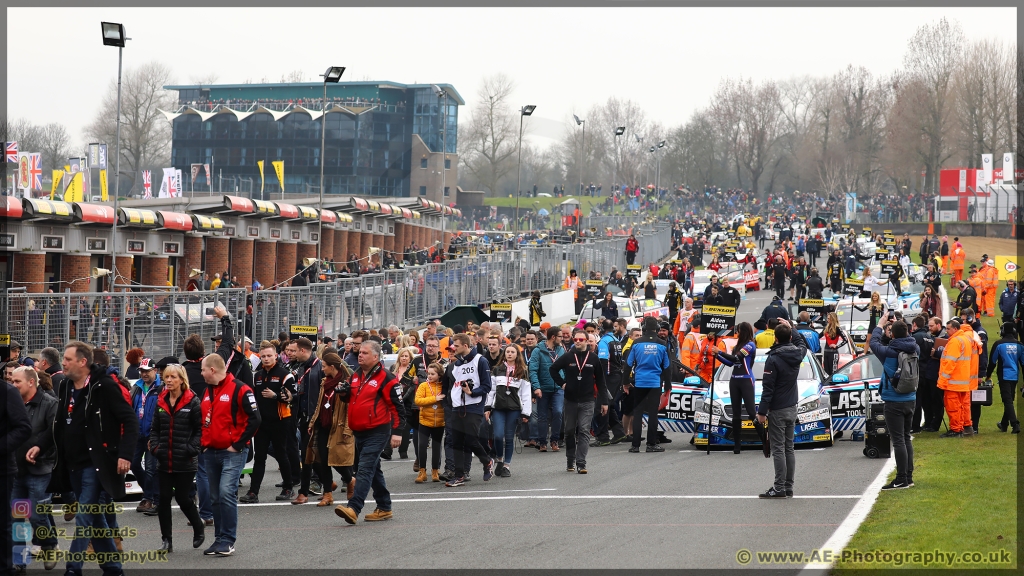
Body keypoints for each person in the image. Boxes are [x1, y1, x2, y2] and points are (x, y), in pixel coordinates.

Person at [48, 341, 139, 574]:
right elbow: (59, 424)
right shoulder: (65, 386)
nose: (64, 363)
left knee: (84, 516)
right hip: (72, 463)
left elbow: (129, 420)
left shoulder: (105, 386)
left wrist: (125, 454)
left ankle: (72, 568)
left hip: (95, 464)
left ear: (82, 362)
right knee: (96, 517)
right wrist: (40, 446)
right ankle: (113, 568)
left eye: (68, 359)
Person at [333, 341, 407, 522]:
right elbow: (351, 400)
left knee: (364, 470)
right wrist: (343, 393)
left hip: (378, 431)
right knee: (373, 470)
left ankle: (354, 508)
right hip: (358, 431)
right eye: (360, 352)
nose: (360, 355)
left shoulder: (387, 377)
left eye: (365, 353)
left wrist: (397, 432)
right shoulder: (356, 375)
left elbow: (398, 408)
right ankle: (384, 506)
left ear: (375, 357)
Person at [199, 350, 261, 556]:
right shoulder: (208, 391)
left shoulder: (241, 389)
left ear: (212, 369)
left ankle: (228, 539)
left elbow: (255, 419)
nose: (200, 373)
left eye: (202, 370)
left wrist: (238, 444)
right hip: (211, 452)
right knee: (214, 496)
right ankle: (220, 539)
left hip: (232, 452)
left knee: (226, 492)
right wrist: (203, 443)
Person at [149, 363, 205, 552]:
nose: (169, 380)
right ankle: (167, 541)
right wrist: (156, 448)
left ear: (182, 379)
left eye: (173, 377)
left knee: (182, 498)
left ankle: (198, 527)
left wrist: (191, 448)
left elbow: (200, 430)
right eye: (166, 377)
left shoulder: (192, 401)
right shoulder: (161, 400)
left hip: (185, 460)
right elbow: (155, 429)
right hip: (164, 459)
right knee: (163, 499)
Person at [9, 366, 58, 571]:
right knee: (16, 517)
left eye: (17, 381)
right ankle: (19, 560)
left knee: (37, 514)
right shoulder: (11, 403)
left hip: (41, 468)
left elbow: (55, 435)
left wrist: (39, 451)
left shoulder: (50, 404)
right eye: (11, 381)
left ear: (31, 382)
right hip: (15, 469)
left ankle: (48, 544)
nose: (13, 385)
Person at [240, 341, 297, 504]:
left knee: (281, 454)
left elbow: (293, 396)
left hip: (281, 421)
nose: (266, 359)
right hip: (262, 423)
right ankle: (253, 492)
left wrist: (276, 396)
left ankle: (288, 487)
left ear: (276, 356)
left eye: (269, 356)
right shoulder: (257, 375)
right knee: (260, 458)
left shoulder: (285, 374)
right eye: (263, 356)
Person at [757, 322, 806, 498]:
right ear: (790, 337)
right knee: (789, 448)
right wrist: (791, 326)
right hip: (792, 406)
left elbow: (768, 388)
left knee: (778, 449)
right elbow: (802, 344)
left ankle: (779, 488)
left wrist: (762, 412)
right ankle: (788, 486)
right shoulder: (797, 353)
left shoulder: (774, 358)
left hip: (777, 408)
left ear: (775, 338)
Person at [869, 317, 919, 490]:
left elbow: (874, 342)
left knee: (898, 440)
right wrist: (899, 324)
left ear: (892, 335)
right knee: (906, 438)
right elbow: (905, 337)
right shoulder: (915, 348)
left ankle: (901, 478)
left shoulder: (889, 352)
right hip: (910, 398)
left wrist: (881, 324)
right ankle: (909, 476)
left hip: (893, 399)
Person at [550, 329, 609, 472]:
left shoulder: (594, 358)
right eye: (575, 339)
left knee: (583, 431)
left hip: (588, 400)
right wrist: (563, 384)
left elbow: (601, 381)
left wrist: (605, 401)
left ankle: (581, 462)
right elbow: (553, 369)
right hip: (570, 400)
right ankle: (570, 459)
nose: (577, 342)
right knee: (570, 431)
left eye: (580, 340)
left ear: (587, 341)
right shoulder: (568, 356)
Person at [440, 334, 494, 487]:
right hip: (457, 407)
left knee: (471, 440)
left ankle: (487, 461)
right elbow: (454, 386)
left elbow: (487, 386)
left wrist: (472, 392)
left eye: (456, 346)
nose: (453, 349)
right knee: (456, 441)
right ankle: (459, 475)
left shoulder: (480, 361)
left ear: (465, 345)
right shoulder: (456, 365)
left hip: (474, 406)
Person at [305, 352, 355, 506]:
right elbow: (320, 404)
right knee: (321, 459)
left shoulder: (345, 383)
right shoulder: (324, 382)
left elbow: (348, 409)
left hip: (338, 426)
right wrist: (312, 422)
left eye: (324, 366)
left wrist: (347, 429)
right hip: (323, 424)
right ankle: (328, 494)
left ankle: (350, 479)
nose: (322, 369)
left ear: (332, 367)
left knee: (334, 459)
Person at [715, 323, 769, 455]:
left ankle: (765, 441)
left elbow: (736, 358)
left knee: (751, 412)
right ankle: (737, 445)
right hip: (734, 380)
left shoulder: (750, 345)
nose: (736, 333)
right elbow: (731, 363)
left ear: (743, 331)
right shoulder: (738, 345)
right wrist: (716, 356)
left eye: (738, 330)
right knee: (736, 413)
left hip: (746, 379)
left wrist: (720, 352)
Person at [623, 317, 670, 454]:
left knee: (637, 414)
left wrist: (625, 382)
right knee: (653, 415)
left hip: (640, 382)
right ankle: (651, 445)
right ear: (656, 328)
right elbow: (667, 367)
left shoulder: (636, 343)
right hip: (655, 383)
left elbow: (628, 364)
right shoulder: (662, 344)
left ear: (643, 327)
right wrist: (668, 386)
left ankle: (635, 446)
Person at [485, 345, 532, 477]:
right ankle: (499, 459)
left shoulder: (522, 370)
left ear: (517, 355)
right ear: (504, 354)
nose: (510, 354)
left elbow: (526, 393)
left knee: (509, 438)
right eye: (508, 352)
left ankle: (506, 466)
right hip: (498, 408)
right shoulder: (497, 369)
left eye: (512, 352)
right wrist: (487, 407)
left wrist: (526, 413)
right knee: (498, 436)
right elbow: (491, 391)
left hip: (514, 409)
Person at [2, 375, 32, 576]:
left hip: (2, 470)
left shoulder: (7, 392)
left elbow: (24, 428)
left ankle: (5, 568)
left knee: (3, 522)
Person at [936, 318, 979, 438]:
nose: (947, 331)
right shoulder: (965, 339)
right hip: (963, 381)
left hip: (953, 381)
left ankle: (956, 430)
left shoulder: (955, 341)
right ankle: (966, 426)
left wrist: (942, 381)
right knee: (964, 406)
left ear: (955, 329)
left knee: (953, 406)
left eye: (948, 329)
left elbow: (950, 362)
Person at [528, 326, 564, 452]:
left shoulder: (561, 350)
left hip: (558, 388)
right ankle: (542, 441)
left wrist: (565, 383)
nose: (562, 338)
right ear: (553, 337)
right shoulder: (537, 351)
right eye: (560, 336)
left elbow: (564, 368)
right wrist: (536, 387)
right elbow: (532, 370)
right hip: (543, 388)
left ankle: (555, 440)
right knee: (542, 416)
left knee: (558, 412)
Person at [985, 323, 1022, 434]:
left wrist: (988, 375)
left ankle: (1015, 424)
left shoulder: (999, 344)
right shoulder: (1020, 345)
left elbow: (992, 362)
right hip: (1015, 376)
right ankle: (1004, 424)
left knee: (1007, 400)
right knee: (1009, 399)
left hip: (1004, 376)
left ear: (1002, 332)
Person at [415, 364, 447, 482]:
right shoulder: (423, 385)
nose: (430, 376)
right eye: (429, 373)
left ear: (439, 375)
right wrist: (434, 399)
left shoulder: (443, 386)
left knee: (437, 447)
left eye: (433, 374)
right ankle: (422, 471)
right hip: (425, 421)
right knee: (422, 446)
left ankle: (435, 471)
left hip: (439, 422)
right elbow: (418, 400)